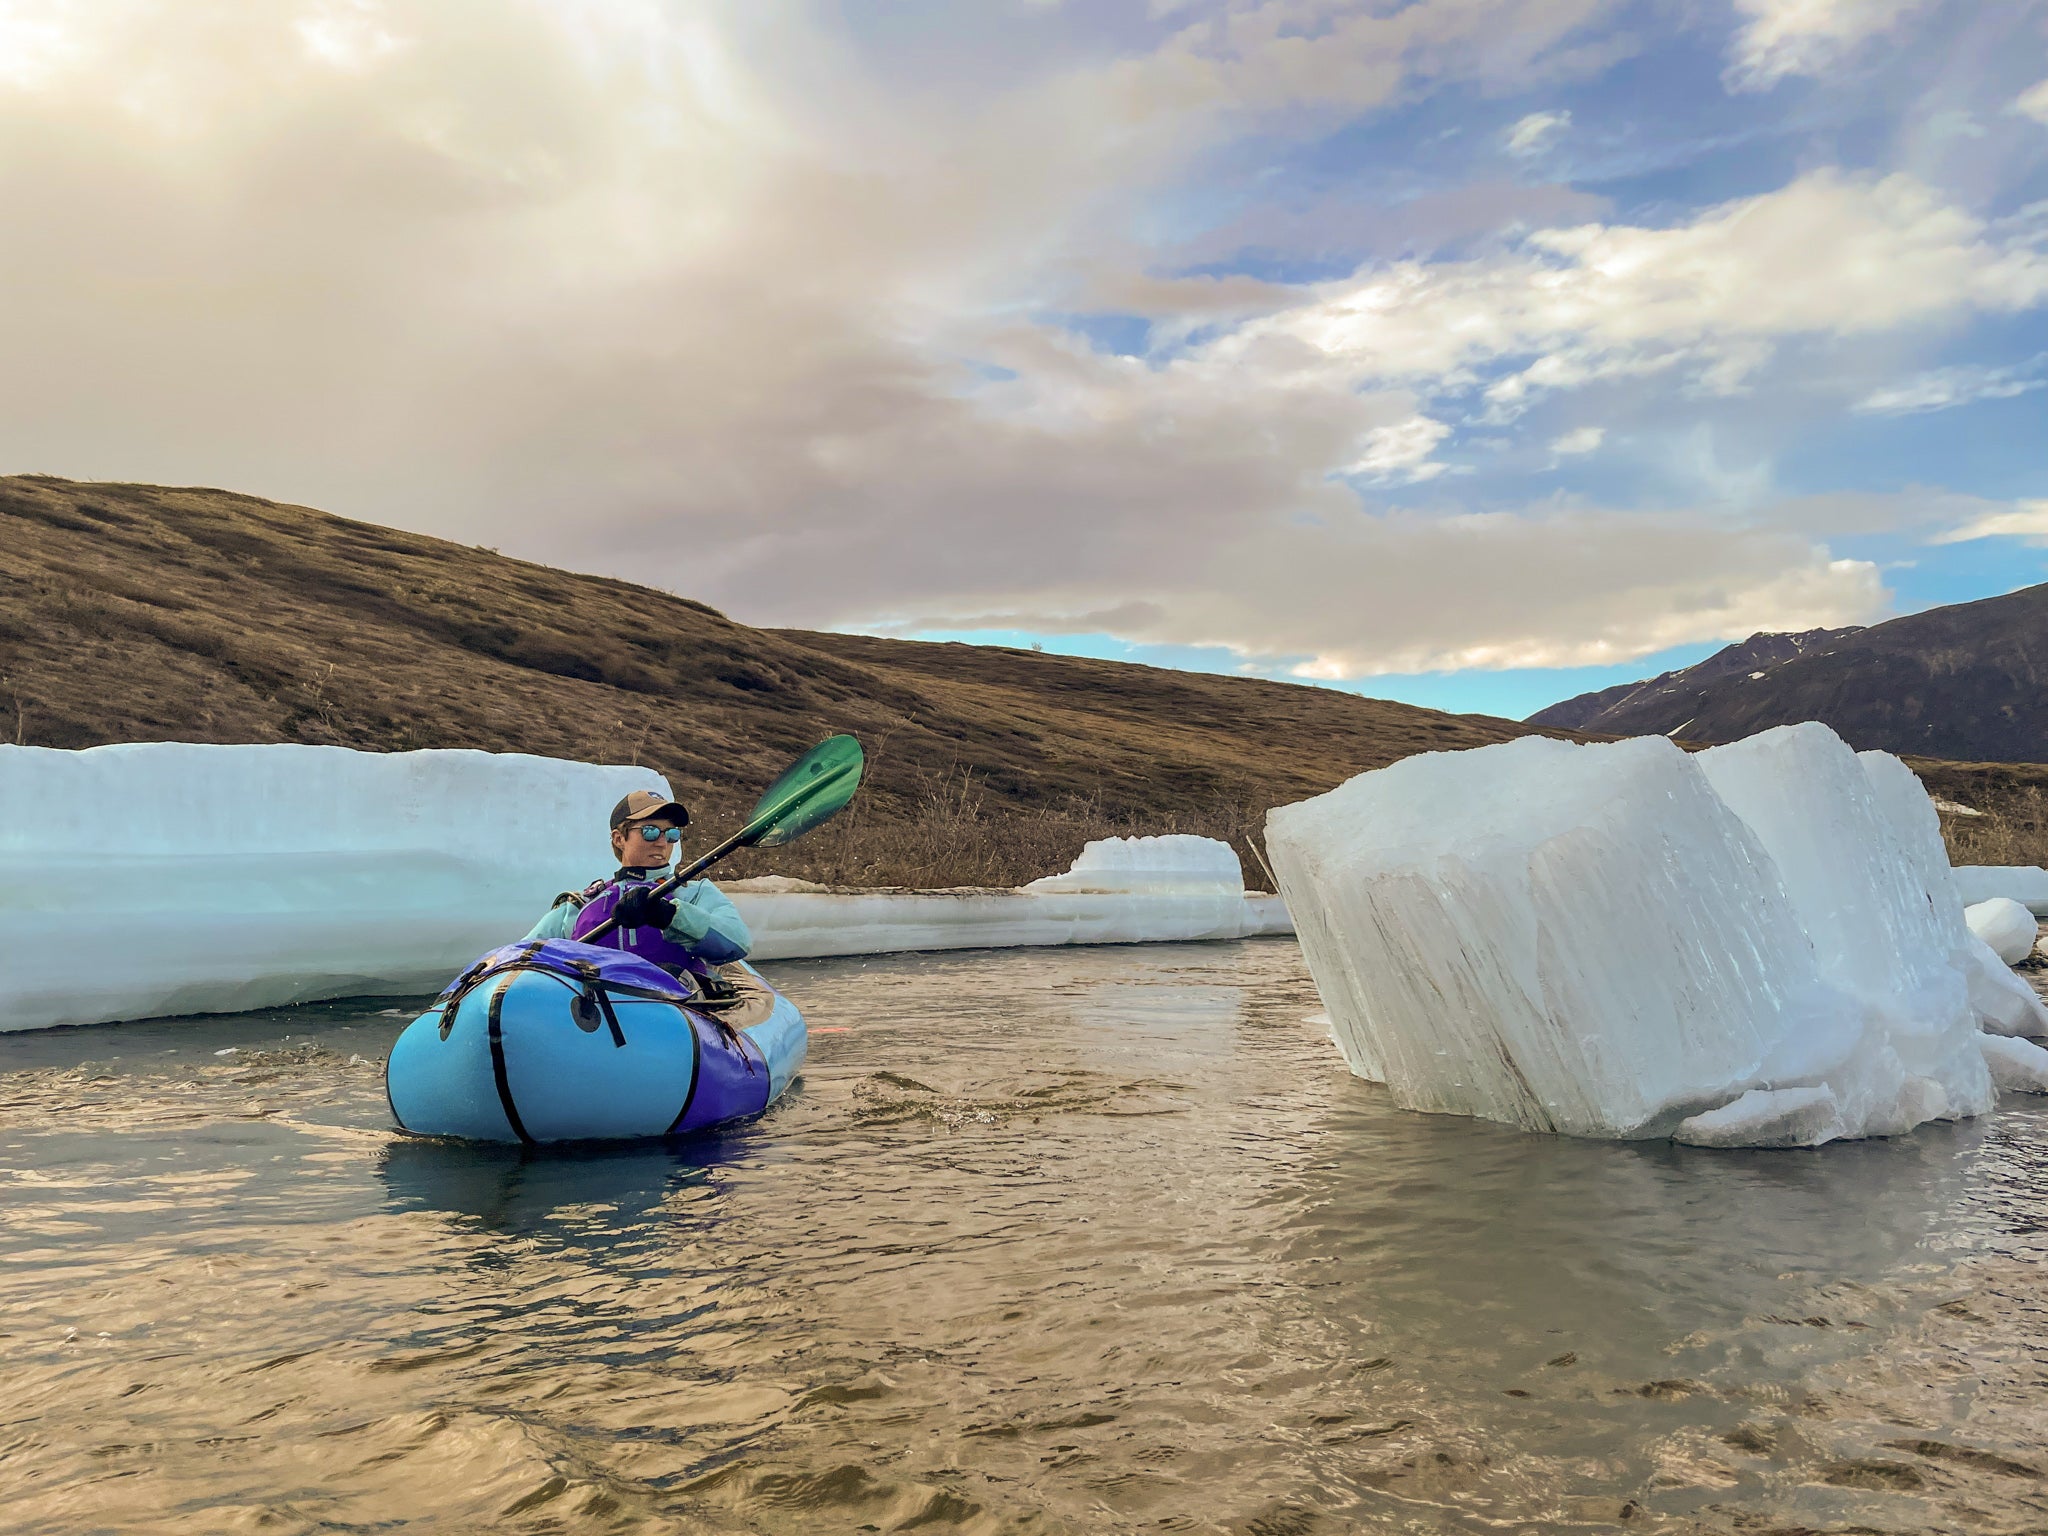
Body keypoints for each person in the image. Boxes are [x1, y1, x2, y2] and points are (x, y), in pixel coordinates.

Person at [524, 789, 752, 975]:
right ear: (619, 838)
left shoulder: (694, 894)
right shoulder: (579, 905)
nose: (663, 843)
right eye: (650, 832)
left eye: (671, 834)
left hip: (679, 1011)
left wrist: (669, 915)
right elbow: (522, 954)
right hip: (598, 1016)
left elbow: (738, 942)